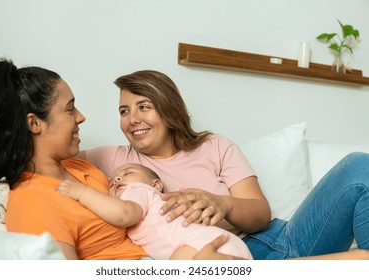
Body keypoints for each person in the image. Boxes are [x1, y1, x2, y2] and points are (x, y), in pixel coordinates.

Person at [80, 70, 369, 259]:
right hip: (218, 258)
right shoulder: (114, 159)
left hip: (280, 239)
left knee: (358, 166)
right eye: (123, 111)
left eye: (144, 106)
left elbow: (260, 213)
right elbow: (50, 156)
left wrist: (222, 204)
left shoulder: (214, 146)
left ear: (168, 109)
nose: (132, 119)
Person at [0, 59, 237, 260]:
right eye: (70, 108)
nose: (81, 117)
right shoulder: (33, 199)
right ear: (35, 123)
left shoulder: (82, 168)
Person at [57, 162, 253, 260]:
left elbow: (124, 214)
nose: (116, 180)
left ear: (156, 184)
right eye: (111, 181)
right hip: (215, 246)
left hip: (203, 244)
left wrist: (82, 192)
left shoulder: (139, 190)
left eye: (127, 173)